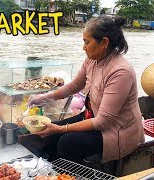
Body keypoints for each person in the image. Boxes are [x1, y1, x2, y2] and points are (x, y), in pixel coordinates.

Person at [27, 16, 145, 164]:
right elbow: (74, 86)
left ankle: (74, 174)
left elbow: (103, 122)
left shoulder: (120, 71)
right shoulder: (92, 60)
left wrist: (61, 129)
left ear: (104, 42)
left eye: (87, 42)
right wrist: (44, 97)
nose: (84, 47)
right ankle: (52, 173)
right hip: (92, 116)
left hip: (117, 130)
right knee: (50, 135)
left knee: (67, 142)